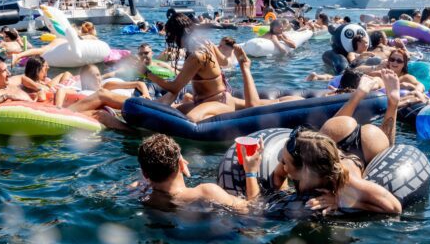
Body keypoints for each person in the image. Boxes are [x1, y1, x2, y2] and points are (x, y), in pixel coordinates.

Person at [143, 13, 274, 121]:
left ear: (177, 35)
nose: (172, 41)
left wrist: (147, 73)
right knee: (173, 111)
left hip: (219, 102)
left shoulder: (197, 56)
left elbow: (175, 87)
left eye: (171, 37)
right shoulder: (206, 43)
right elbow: (223, 62)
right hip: (208, 100)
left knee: (191, 118)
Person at [269, 126, 402, 215]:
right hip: (336, 133)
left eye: (285, 162)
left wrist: (340, 201)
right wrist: (286, 197)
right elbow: (278, 177)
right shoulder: (293, 155)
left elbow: (394, 208)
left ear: (305, 171)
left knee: (387, 144)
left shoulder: (347, 181)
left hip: (366, 144)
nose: (283, 165)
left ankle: (392, 104)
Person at [137, 133, 262, 212]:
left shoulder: (140, 191)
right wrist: (250, 172)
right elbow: (252, 209)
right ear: (181, 164)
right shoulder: (206, 192)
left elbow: (145, 179)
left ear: (145, 174)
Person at [320, 69, 401, 168]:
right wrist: (393, 105)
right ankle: (392, 105)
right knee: (381, 146)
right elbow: (387, 151)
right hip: (364, 155)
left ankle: (358, 96)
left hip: (347, 155)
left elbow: (322, 146)